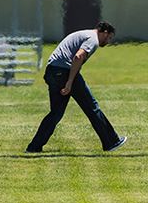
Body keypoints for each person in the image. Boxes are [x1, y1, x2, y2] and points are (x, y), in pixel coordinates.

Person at [26, 21, 126, 153]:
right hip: (64, 72)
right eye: (109, 38)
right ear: (105, 32)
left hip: (52, 70)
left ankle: (34, 147)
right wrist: (69, 82)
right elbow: (78, 57)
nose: (108, 42)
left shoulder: (84, 34)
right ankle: (111, 142)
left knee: (56, 113)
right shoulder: (93, 39)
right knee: (92, 107)